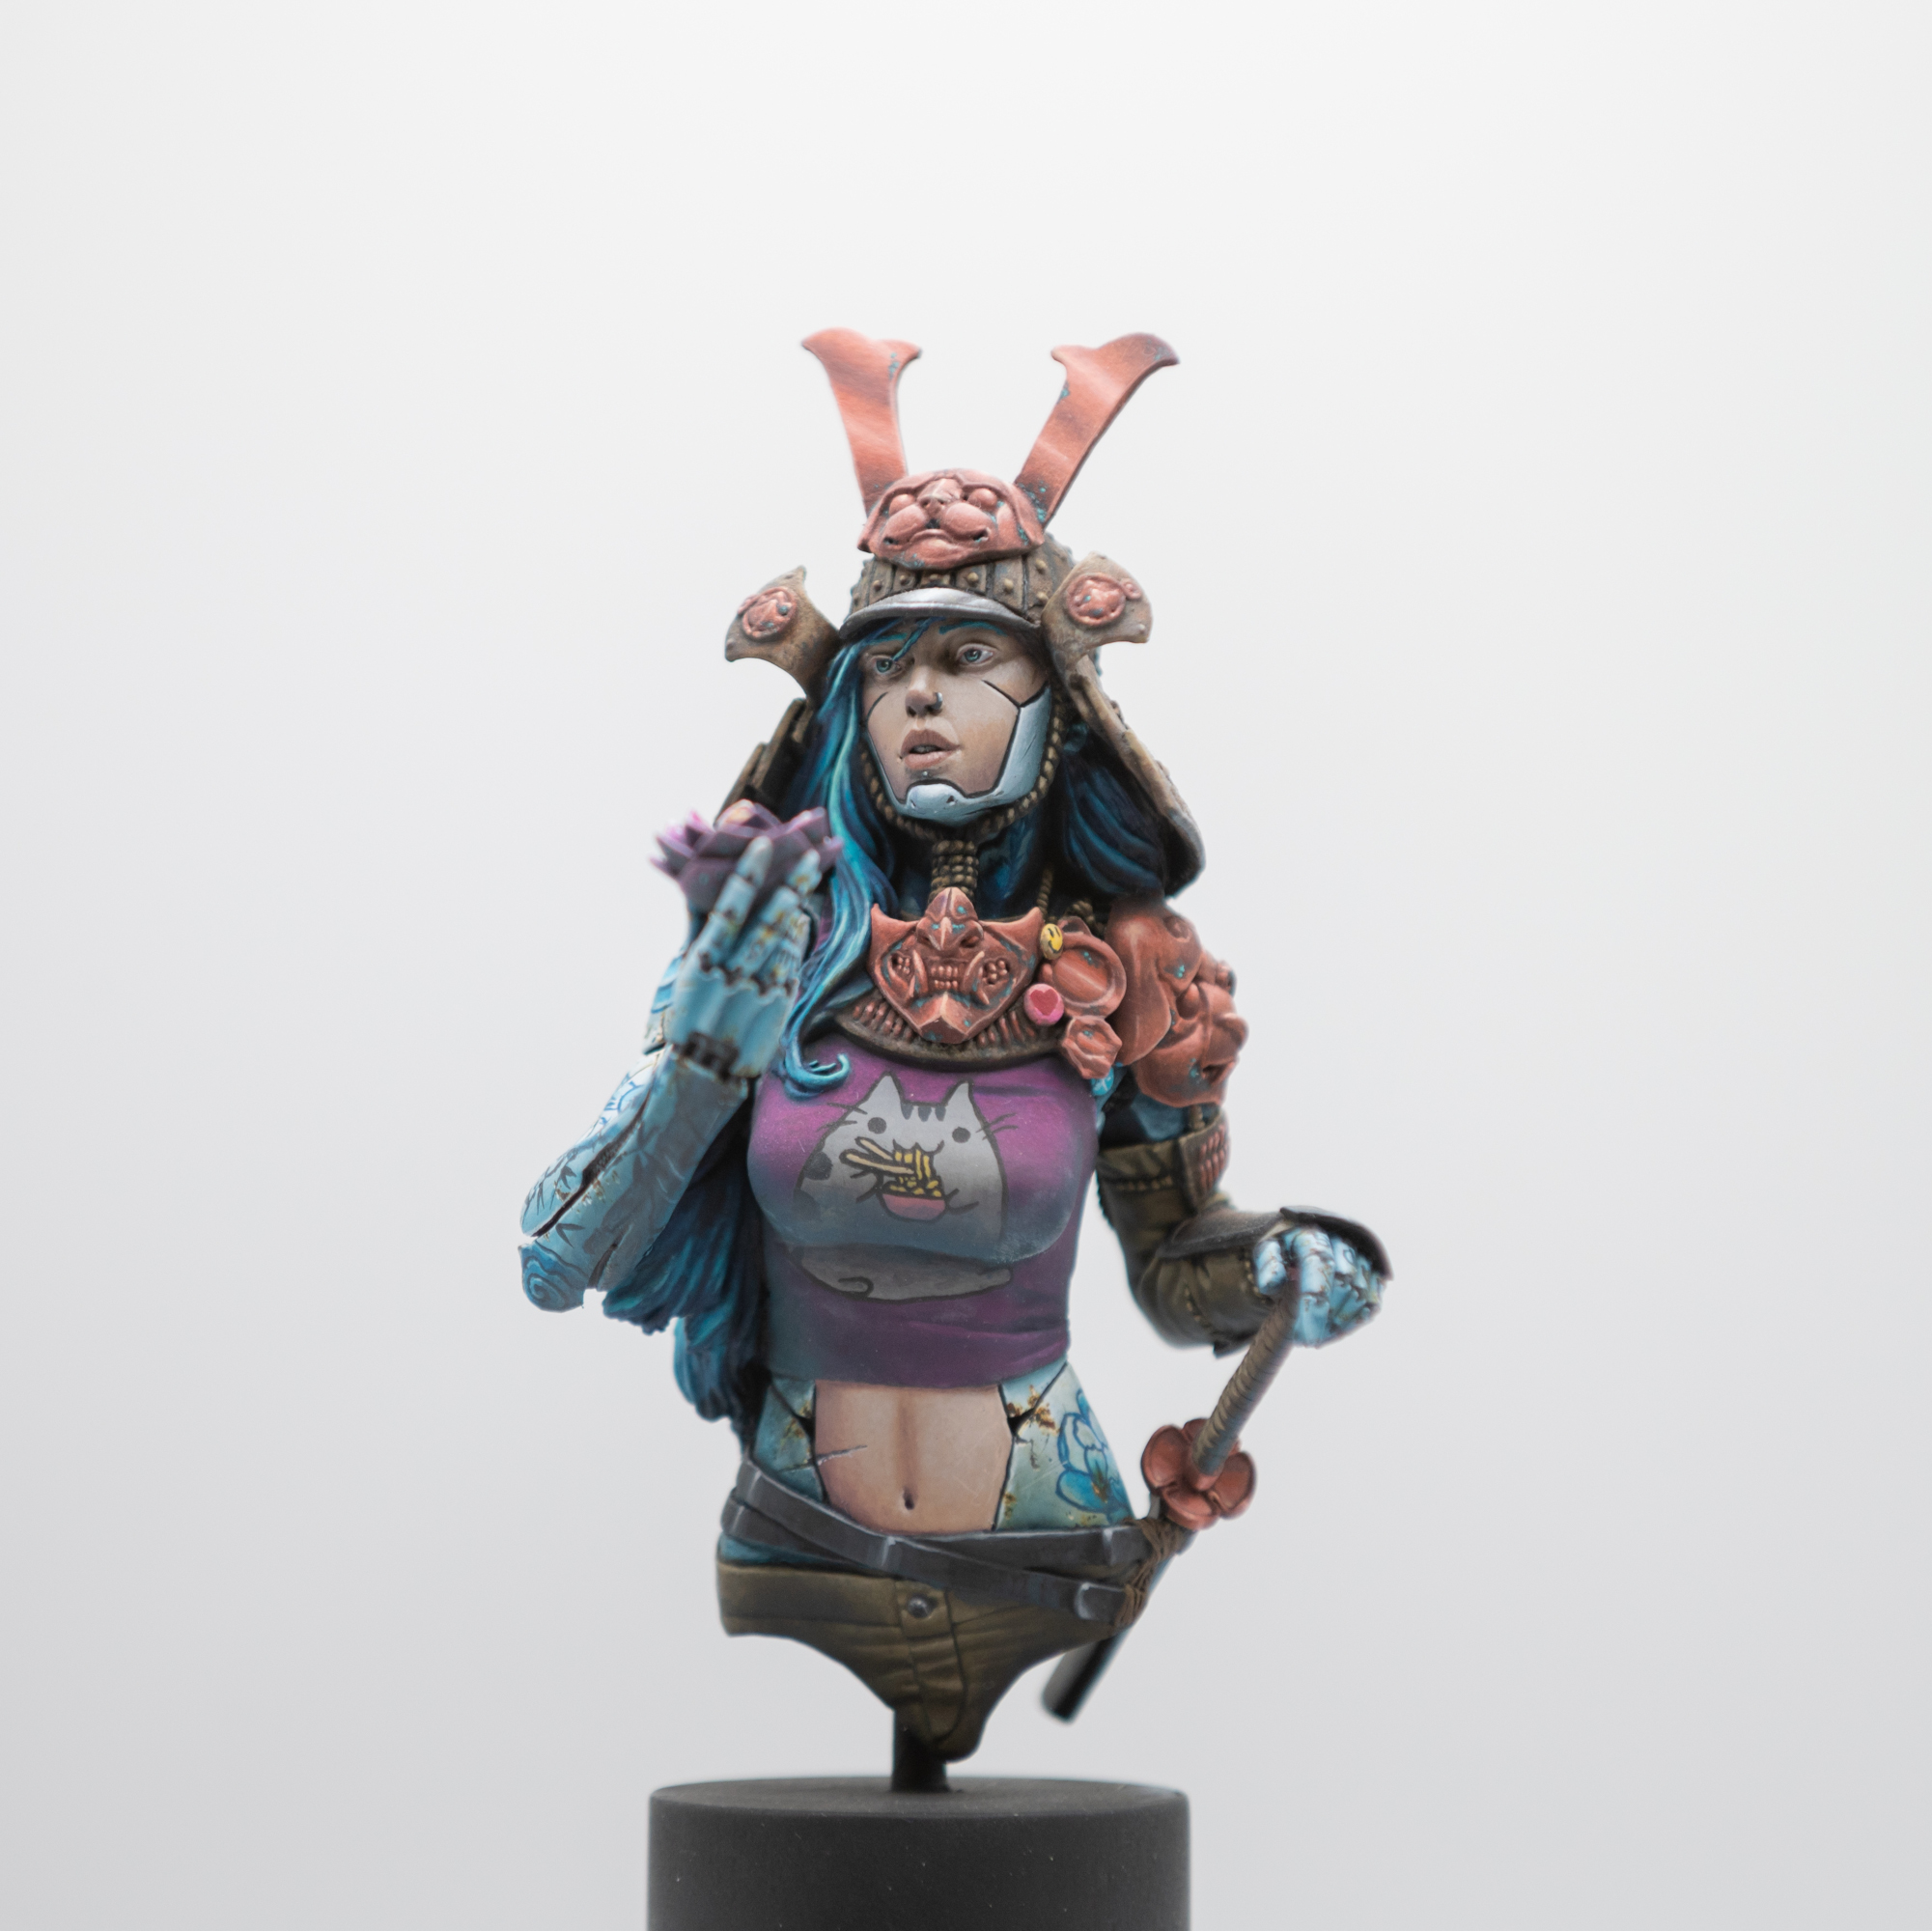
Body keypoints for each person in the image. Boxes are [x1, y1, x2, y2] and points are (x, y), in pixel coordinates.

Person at [518, 331, 1388, 1778]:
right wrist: (698, 1073)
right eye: (887, 668)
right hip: (798, 1533)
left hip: (1054, 1542)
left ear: (1061, 705)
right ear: (844, 710)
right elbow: (559, 1262)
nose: (920, 696)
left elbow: (1178, 1271)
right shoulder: (770, 948)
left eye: (970, 658)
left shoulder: (1132, 974)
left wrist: (1288, 1269)